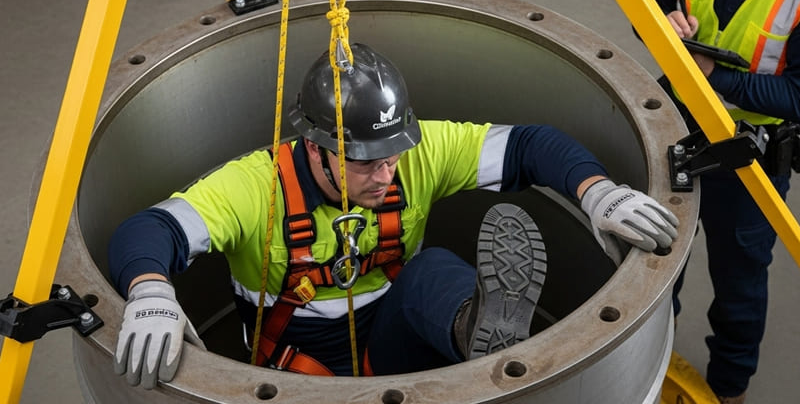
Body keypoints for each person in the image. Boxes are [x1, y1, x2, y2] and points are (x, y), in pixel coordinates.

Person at [108, 42, 679, 389]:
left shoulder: (414, 155)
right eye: (364, 163)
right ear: (314, 147)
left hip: (394, 348)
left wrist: (599, 192)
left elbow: (530, 144)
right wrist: (151, 289)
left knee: (430, 267)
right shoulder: (255, 189)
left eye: (394, 155)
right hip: (293, 377)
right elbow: (149, 229)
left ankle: (476, 333)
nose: (386, 175)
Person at [644, 0, 800, 402]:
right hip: (674, 127)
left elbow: (797, 96)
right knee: (658, 262)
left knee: (738, 285)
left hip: (749, 156)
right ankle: (649, 370)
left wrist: (712, 74)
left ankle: (729, 389)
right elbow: (648, 9)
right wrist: (665, 26)